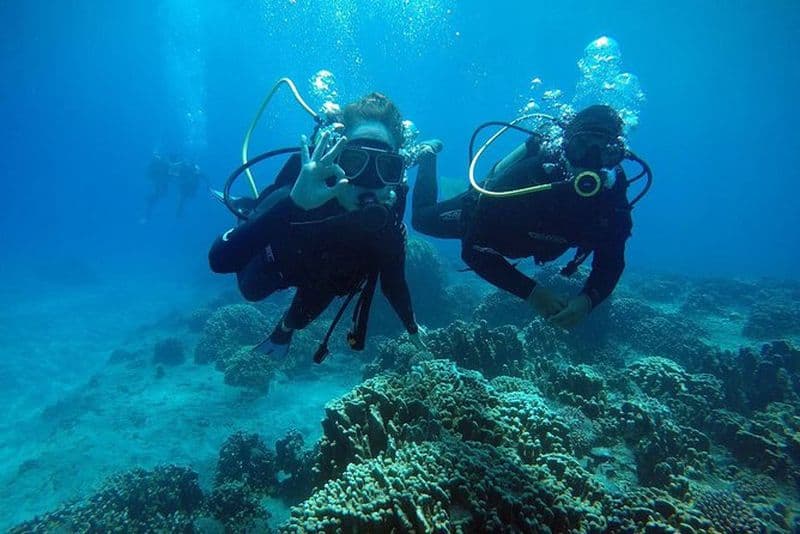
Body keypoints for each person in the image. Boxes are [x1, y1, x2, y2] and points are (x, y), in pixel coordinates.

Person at [208, 93, 425, 359]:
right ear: (336, 159)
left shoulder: (386, 227)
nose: (369, 181)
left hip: (324, 279)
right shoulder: (300, 196)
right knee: (251, 291)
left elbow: (393, 283)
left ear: (397, 176)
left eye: (387, 167)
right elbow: (220, 260)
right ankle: (248, 210)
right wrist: (293, 205)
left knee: (303, 315)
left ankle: (283, 331)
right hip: (282, 259)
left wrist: (412, 328)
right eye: (354, 162)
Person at [412, 104, 644, 329]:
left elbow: (611, 261)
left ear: (617, 156)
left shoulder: (612, 199)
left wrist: (587, 300)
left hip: (524, 239)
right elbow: (472, 248)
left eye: (604, 152)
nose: (589, 163)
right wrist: (532, 293)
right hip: (486, 220)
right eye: (581, 147)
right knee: (422, 220)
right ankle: (427, 155)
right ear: (566, 145)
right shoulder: (528, 177)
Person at [144, 152, 204, 220]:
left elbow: (173, 174)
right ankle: (152, 202)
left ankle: (178, 213)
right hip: (164, 181)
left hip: (166, 181)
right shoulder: (169, 165)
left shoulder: (173, 165)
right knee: (163, 194)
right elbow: (172, 174)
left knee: (166, 194)